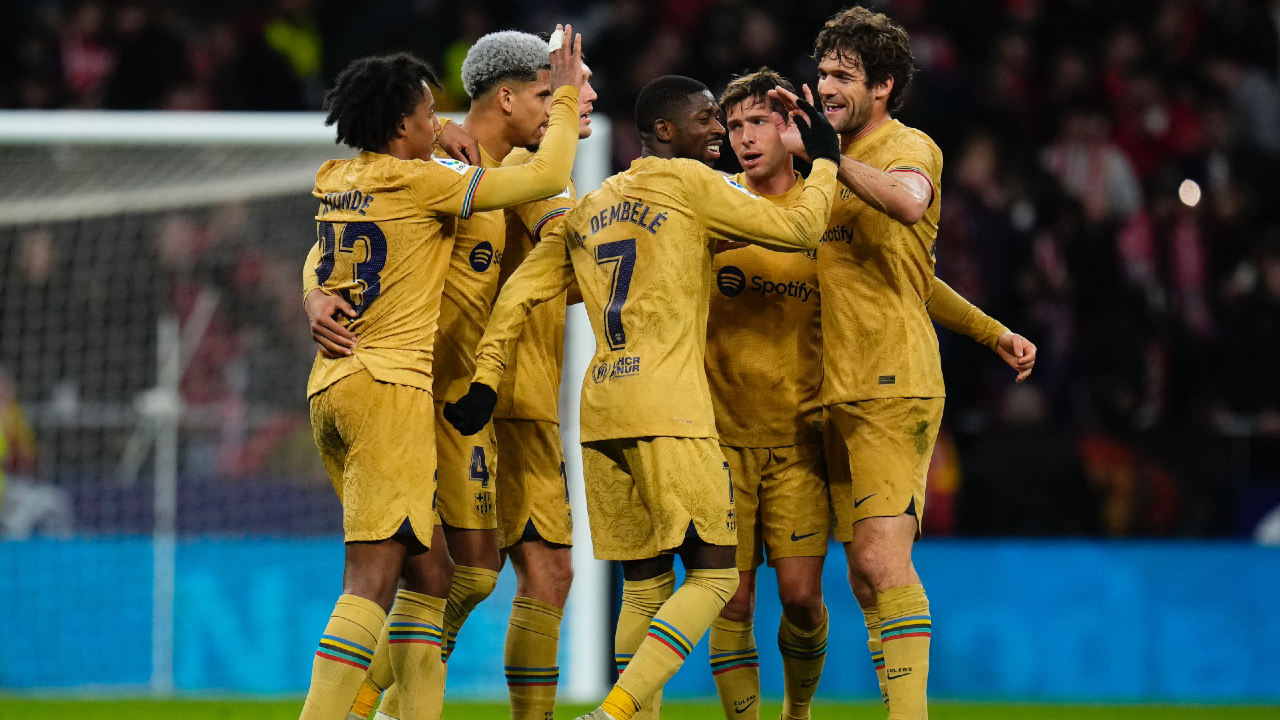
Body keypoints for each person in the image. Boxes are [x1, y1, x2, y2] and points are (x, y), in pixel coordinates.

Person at [442, 73, 841, 720]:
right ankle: (615, 711)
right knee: (714, 577)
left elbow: (520, 291)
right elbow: (798, 230)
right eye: (709, 118)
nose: (720, 131)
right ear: (664, 131)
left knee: (644, 587)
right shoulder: (689, 185)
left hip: (601, 413)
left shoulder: (592, 205)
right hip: (671, 408)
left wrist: (486, 376)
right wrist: (823, 161)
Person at [708, 68, 1038, 720]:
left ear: (790, 124)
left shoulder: (826, 202)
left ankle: (798, 711)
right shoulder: (716, 204)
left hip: (805, 429)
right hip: (723, 431)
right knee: (735, 598)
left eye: (760, 122)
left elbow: (913, 276)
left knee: (805, 598)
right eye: (735, 125)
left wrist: (989, 330)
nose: (745, 137)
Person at [308, 32, 596, 720]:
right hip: (411, 392)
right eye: (553, 88)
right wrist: (313, 294)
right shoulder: (432, 165)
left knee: (455, 574)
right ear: (507, 96)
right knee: (406, 574)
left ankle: (382, 706)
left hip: (457, 392)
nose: (577, 99)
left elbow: (336, 241)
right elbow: (325, 252)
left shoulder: (366, 170)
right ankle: (352, 706)